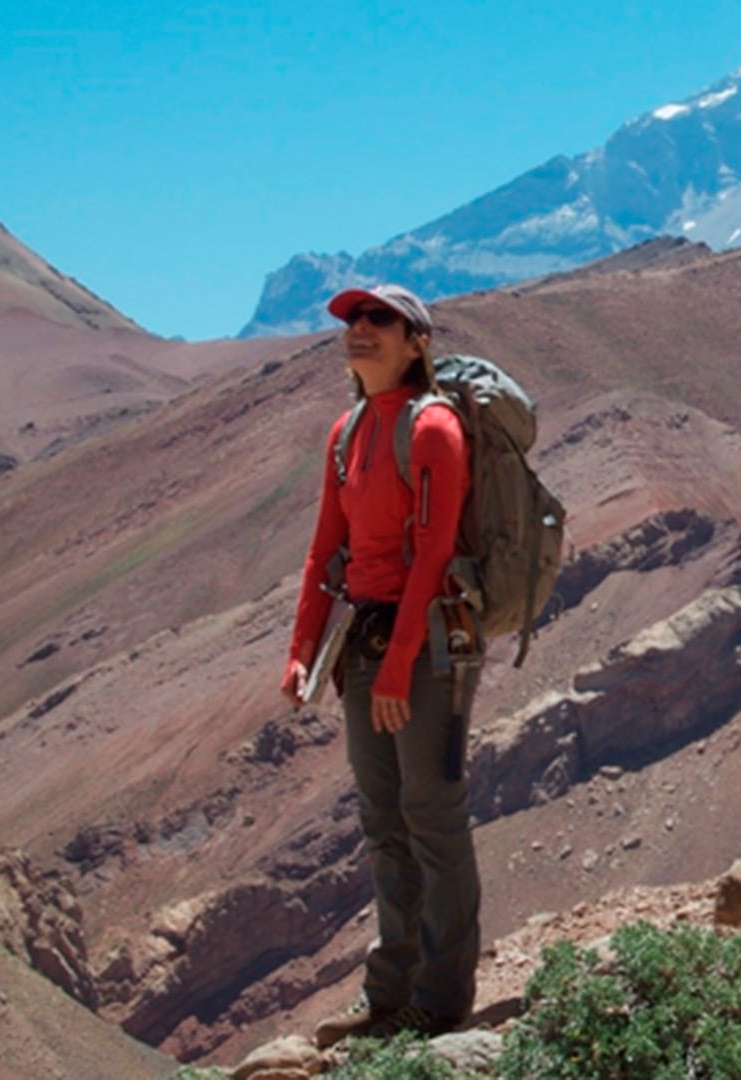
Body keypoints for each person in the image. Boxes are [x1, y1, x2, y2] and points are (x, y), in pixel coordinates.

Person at [280, 283, 481, 1045]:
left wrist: (400, 664)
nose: (358, 330)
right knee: (382, 822)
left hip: (427, 645)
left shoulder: (433, 428)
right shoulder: (347, 431)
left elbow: (432, 553)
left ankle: (443, 999)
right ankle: (388, 995)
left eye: (378, 320)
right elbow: (323, 549)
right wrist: (301, 650)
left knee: (430, 816)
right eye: (352, 320)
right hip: (363, 644)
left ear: (415, 341)